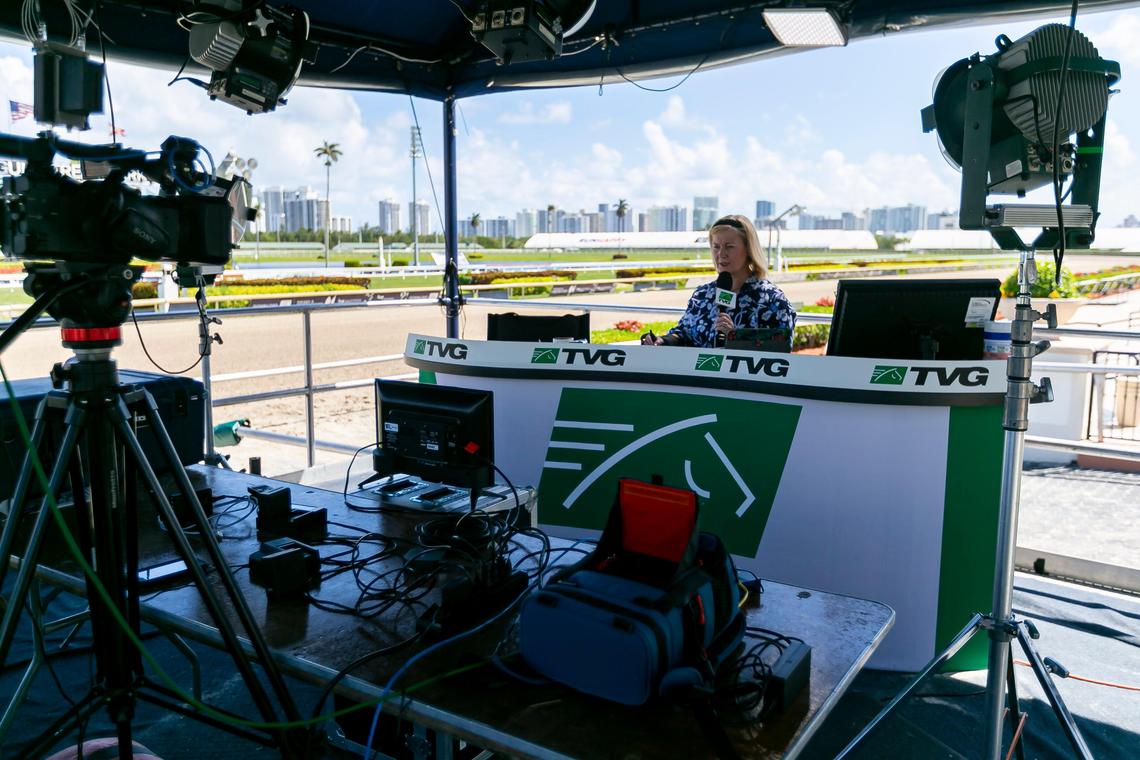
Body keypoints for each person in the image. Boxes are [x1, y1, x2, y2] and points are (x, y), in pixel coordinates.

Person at [641, 215, 796, 347]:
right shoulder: (702, 295)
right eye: (716, 247)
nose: (721, 254)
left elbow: (783, 345)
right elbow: (684, 334)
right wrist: (662, 341)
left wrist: (736, 337)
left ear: (749, 250)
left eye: (729, 247)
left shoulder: (772, 300)